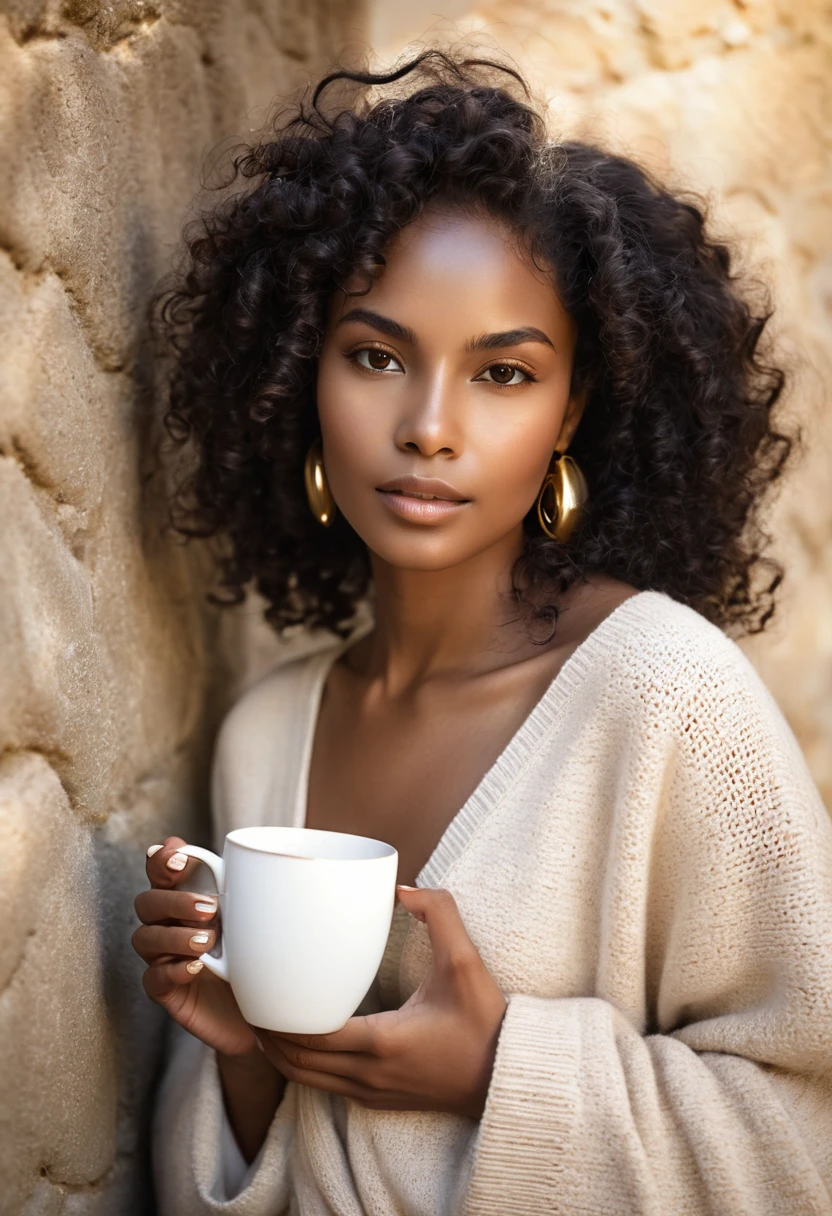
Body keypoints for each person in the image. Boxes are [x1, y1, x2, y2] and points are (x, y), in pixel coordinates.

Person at [132, 50, 832, 1215]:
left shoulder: (666, 695)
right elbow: (261, 1166)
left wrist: (504, 1070)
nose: (429, 427)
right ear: (298, 375)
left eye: (502, 373)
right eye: (375, 356)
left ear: (574, 411)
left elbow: (806, 1140)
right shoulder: (267, 733)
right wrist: (242, 1054)